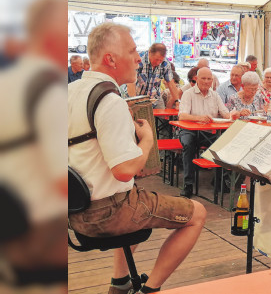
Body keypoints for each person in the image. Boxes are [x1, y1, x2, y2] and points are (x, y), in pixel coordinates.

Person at [68, 22, 207, 294]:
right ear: (110, 58)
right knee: (197, 214)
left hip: (74, 210)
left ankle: (120, 282)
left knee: (138, 199)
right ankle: (150, 289)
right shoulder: (110, 101)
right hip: (108, 212)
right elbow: (124, 170)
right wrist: (147, 142)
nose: (138, 58)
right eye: (132, 51)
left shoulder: (70, 91)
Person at [1, 0, 68, 291]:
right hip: (36, 234)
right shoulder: (48, 88)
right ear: (54, 38)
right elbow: (61, 183)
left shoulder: (9, 80)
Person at [179, 67, 230, 198]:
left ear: (213, 80)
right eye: (203, 78)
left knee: (222, 145)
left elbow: (225, 113)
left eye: (209, 79)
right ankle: (188, 184)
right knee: (189, 145)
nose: (207, 81)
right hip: (188, 131)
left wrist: (233, 115)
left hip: (207, 131)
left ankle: (219, 181)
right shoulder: (188, 93)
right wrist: (198, 118)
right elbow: (182, 116)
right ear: (196, 79)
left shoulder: (215, 95)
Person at [126, 43, 179, 109]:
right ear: (150, 52)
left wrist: (177, 101)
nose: (158, 63)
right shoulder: (138, 60)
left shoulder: (165, 63)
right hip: (136, 97)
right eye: (156, 59)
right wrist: (134, 102)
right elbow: (130, 83)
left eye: (161, 60)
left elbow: (171, 84)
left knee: (163, 117)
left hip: (155, 99)